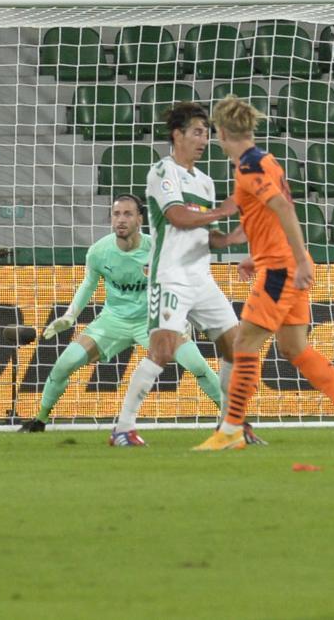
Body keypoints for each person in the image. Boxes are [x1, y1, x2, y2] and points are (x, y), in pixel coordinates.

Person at [194, 96, 334, 452]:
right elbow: (265, 216)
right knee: (294, 348)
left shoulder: (249, 168)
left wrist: (298, 260)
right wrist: (255, 255)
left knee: (244, 344)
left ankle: (231, 429)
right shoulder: (265, 160)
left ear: (222, 132)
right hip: (280, 261)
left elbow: (283, 208)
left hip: (281, 267)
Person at [19, 194, 261, 443]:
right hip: (112, 321)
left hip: (153, 321)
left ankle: (234, 421)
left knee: (198, 366)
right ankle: (40, 419)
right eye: (116, 214)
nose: (121, 220)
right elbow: (88, 285)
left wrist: (180, 314)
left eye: (127, 214)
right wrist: (70, 316)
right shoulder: (99, 252)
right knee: (63, 366)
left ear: (140, 219)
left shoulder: (157, 249)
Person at [107, 102, 242, 447]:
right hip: (170, 276)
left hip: (202, 277)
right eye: (197, 131)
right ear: (177, 135)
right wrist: (223, 210)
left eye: (207, 133)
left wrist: (232, 237)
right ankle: (123, 426)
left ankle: (229, 425)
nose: (204, 139)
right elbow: (179, 218)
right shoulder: (162, 172)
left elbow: (203, 237)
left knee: (235, 346)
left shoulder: (207, 182)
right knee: (163, 352)